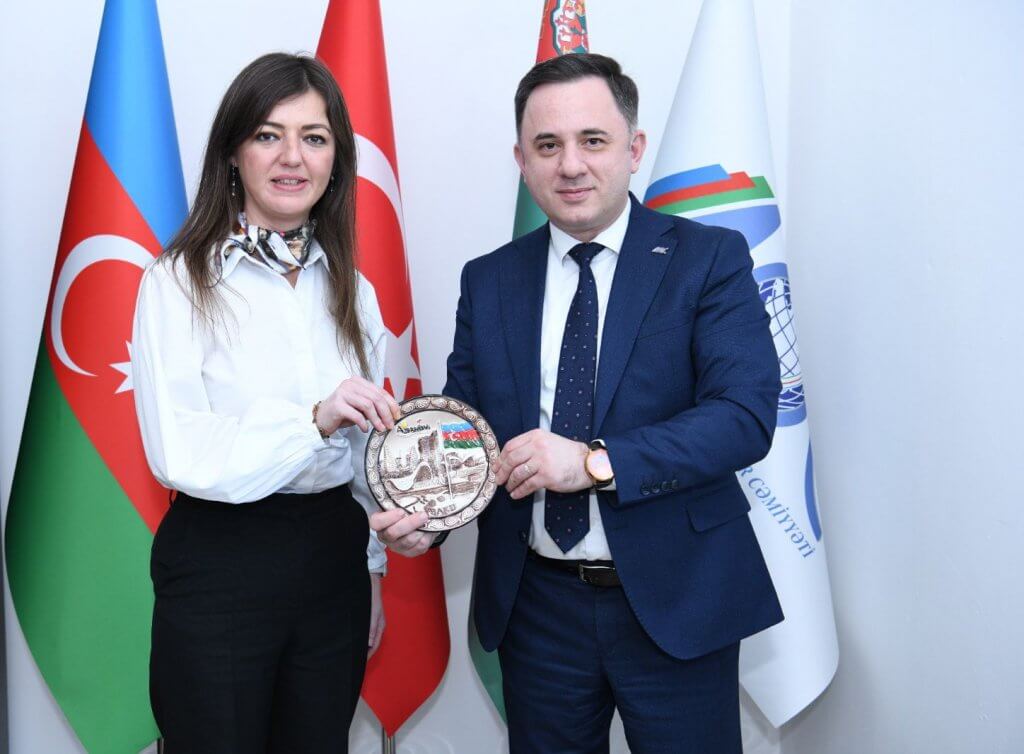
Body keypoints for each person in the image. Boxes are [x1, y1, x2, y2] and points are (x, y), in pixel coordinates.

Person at [372, 53, 784, 753]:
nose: (571, 165)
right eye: (547, 145)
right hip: (538, 611)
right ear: (521, 161)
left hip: (677, 598)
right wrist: (429, 518)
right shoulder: (489, 280)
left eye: (593, 140)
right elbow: (467, 430)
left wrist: (593, 462)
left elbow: (742, 417)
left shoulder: (708, 259)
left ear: (634, 149)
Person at [132, 53, 400, 753]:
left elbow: (367, 454)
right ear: (233, 152)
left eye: (314, 137)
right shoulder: (176, 283)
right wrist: (313, 419)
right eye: (267, 135)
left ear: (336, 159)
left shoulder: (355, 292)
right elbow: (181, 451)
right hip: (222, 558)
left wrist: (371, 568)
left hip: (334, 560)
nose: (292, 158)